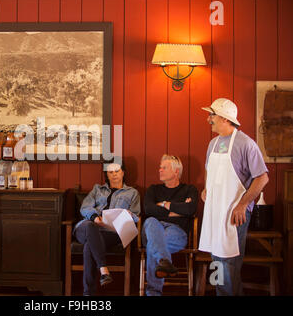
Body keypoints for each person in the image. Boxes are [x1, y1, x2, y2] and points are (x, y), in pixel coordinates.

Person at [199, 98, 269, 296]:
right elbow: (208, 170)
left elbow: (262, 178)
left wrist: (242, 205)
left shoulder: (246, 144)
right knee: (216, 261)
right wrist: (207, 188)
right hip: (215, 213)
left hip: (233, 214)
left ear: (224, 118)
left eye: (212, 115)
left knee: (228, 263)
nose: (208, 119)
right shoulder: (213, 144)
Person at [73, 162, 141, 296]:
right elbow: (85, 207)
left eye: (117, 171)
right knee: (90, 226)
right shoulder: (97, 189)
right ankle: (103, 269)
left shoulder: (132, 193)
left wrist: (129, 214)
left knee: (89, 246)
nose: (114, 174)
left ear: (123, 172)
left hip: (112, 232)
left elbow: (137, 217)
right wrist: (94, 217)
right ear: (106, 175)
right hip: (87, 227)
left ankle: (88, 294)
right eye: (110, 172)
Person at [142, 154, 198, 296]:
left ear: (176, 171)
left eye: (164, 168)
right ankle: (164, 261)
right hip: (153, 227)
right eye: (160, 167)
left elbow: (190, 209)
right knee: (150, 221)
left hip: (177, 232)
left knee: (153, 244)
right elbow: (148, 209)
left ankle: (153, 292)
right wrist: (177, 211)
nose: (160, 170)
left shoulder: (189, 189)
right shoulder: (153, 189)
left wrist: (164, 204)